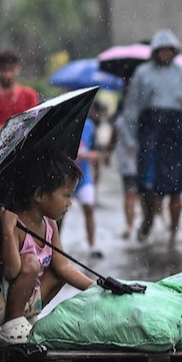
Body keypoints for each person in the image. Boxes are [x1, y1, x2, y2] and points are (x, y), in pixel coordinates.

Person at [0, 150, 94, 344]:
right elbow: (12, 271)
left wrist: (97, 288)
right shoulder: (14, 224)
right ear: (39, 194)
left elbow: (63, 267)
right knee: (30, 263)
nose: (70, 202)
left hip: (15, 301)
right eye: (66, 195)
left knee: (57, 273)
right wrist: (7, 230)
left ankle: (25, 318)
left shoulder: (50, 224)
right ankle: (12, 324)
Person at [117, 29, 182, 246]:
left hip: (177, 134)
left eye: (169, 50)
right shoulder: (142, 73)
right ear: (155, 51)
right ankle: (148, 219)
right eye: (161, 50)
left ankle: (173, 234)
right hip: (150, 133)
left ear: (174, 51)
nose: (165, 53)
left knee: (176, 187)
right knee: (147, 184)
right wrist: (130, 140)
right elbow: (132, 109)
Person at [109, 82, 139, 239]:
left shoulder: (121, 119)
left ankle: (131, 224)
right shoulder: (123, 120)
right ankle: (132, 224)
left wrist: (108, 153)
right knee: (132, 194)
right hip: (132, 163)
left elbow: (112, 140)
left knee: (131, 194)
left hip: (135, 163)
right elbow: (113, 139)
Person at [0, 49, 39, 136]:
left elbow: (34, 125)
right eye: (3, 70)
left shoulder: (29, 95)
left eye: (11, 69)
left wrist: (2, 129)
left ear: (18, 69)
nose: (7, 75)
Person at [74, 106, 102, 257]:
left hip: (83, 178)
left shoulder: (90, 126)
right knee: (57, 216)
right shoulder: (65, 124)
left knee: (89, 208)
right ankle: (57, 247)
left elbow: (97, 153)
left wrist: (84, 155)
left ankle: (93, 246)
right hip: (62, 179)